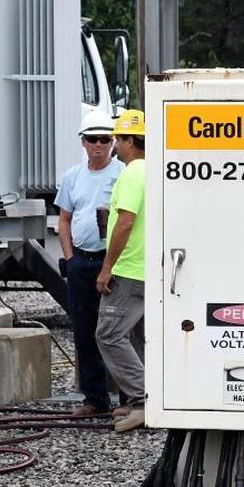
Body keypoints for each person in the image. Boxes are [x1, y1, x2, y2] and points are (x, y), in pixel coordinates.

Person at [56, 110, 124, 417]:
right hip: (82, 261)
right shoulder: (72, 176)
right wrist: (70, 258)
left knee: (118, 330)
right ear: (83, 143)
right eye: (92, 139)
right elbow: (64, 219)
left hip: (114, 260)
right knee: (84, 330)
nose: (98, 145)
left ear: (113, 142)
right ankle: (95, 399)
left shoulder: (123, 173)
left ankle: (129, 398)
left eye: (104, 139)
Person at [96, 109, 147, 433]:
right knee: (137, 336)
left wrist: (107, 267)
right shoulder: (155, 170)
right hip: (145, 268)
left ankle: (145, 400)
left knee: (109, 333)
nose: (115, 145)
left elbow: (125, 221)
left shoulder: (133, 173)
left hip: (129, 269)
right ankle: (137, 399)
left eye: (118, 139)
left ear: (131, 141)